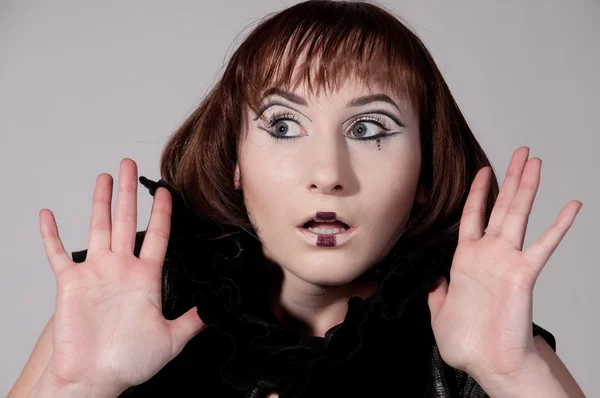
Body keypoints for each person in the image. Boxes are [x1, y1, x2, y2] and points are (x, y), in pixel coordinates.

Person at [10, 1, 585, 397]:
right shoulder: (130, 292)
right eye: (284, 126)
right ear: (235, 163)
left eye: (368, 130)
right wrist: (76, 388)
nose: (328, 175)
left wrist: (512, 374)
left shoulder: (482, 330)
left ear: (426, 171)